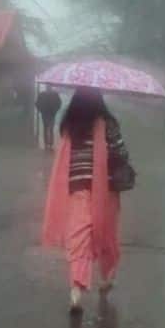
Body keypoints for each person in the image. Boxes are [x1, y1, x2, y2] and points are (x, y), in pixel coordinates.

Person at [41, 88, 131, 314]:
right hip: (105, 189)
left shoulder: (70, 124)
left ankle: (76, 292)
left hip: (77, 187)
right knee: (106, 233)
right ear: (99, 101)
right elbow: (121, 154)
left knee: (79, 236)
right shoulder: (108, 123)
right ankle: (108, 276)